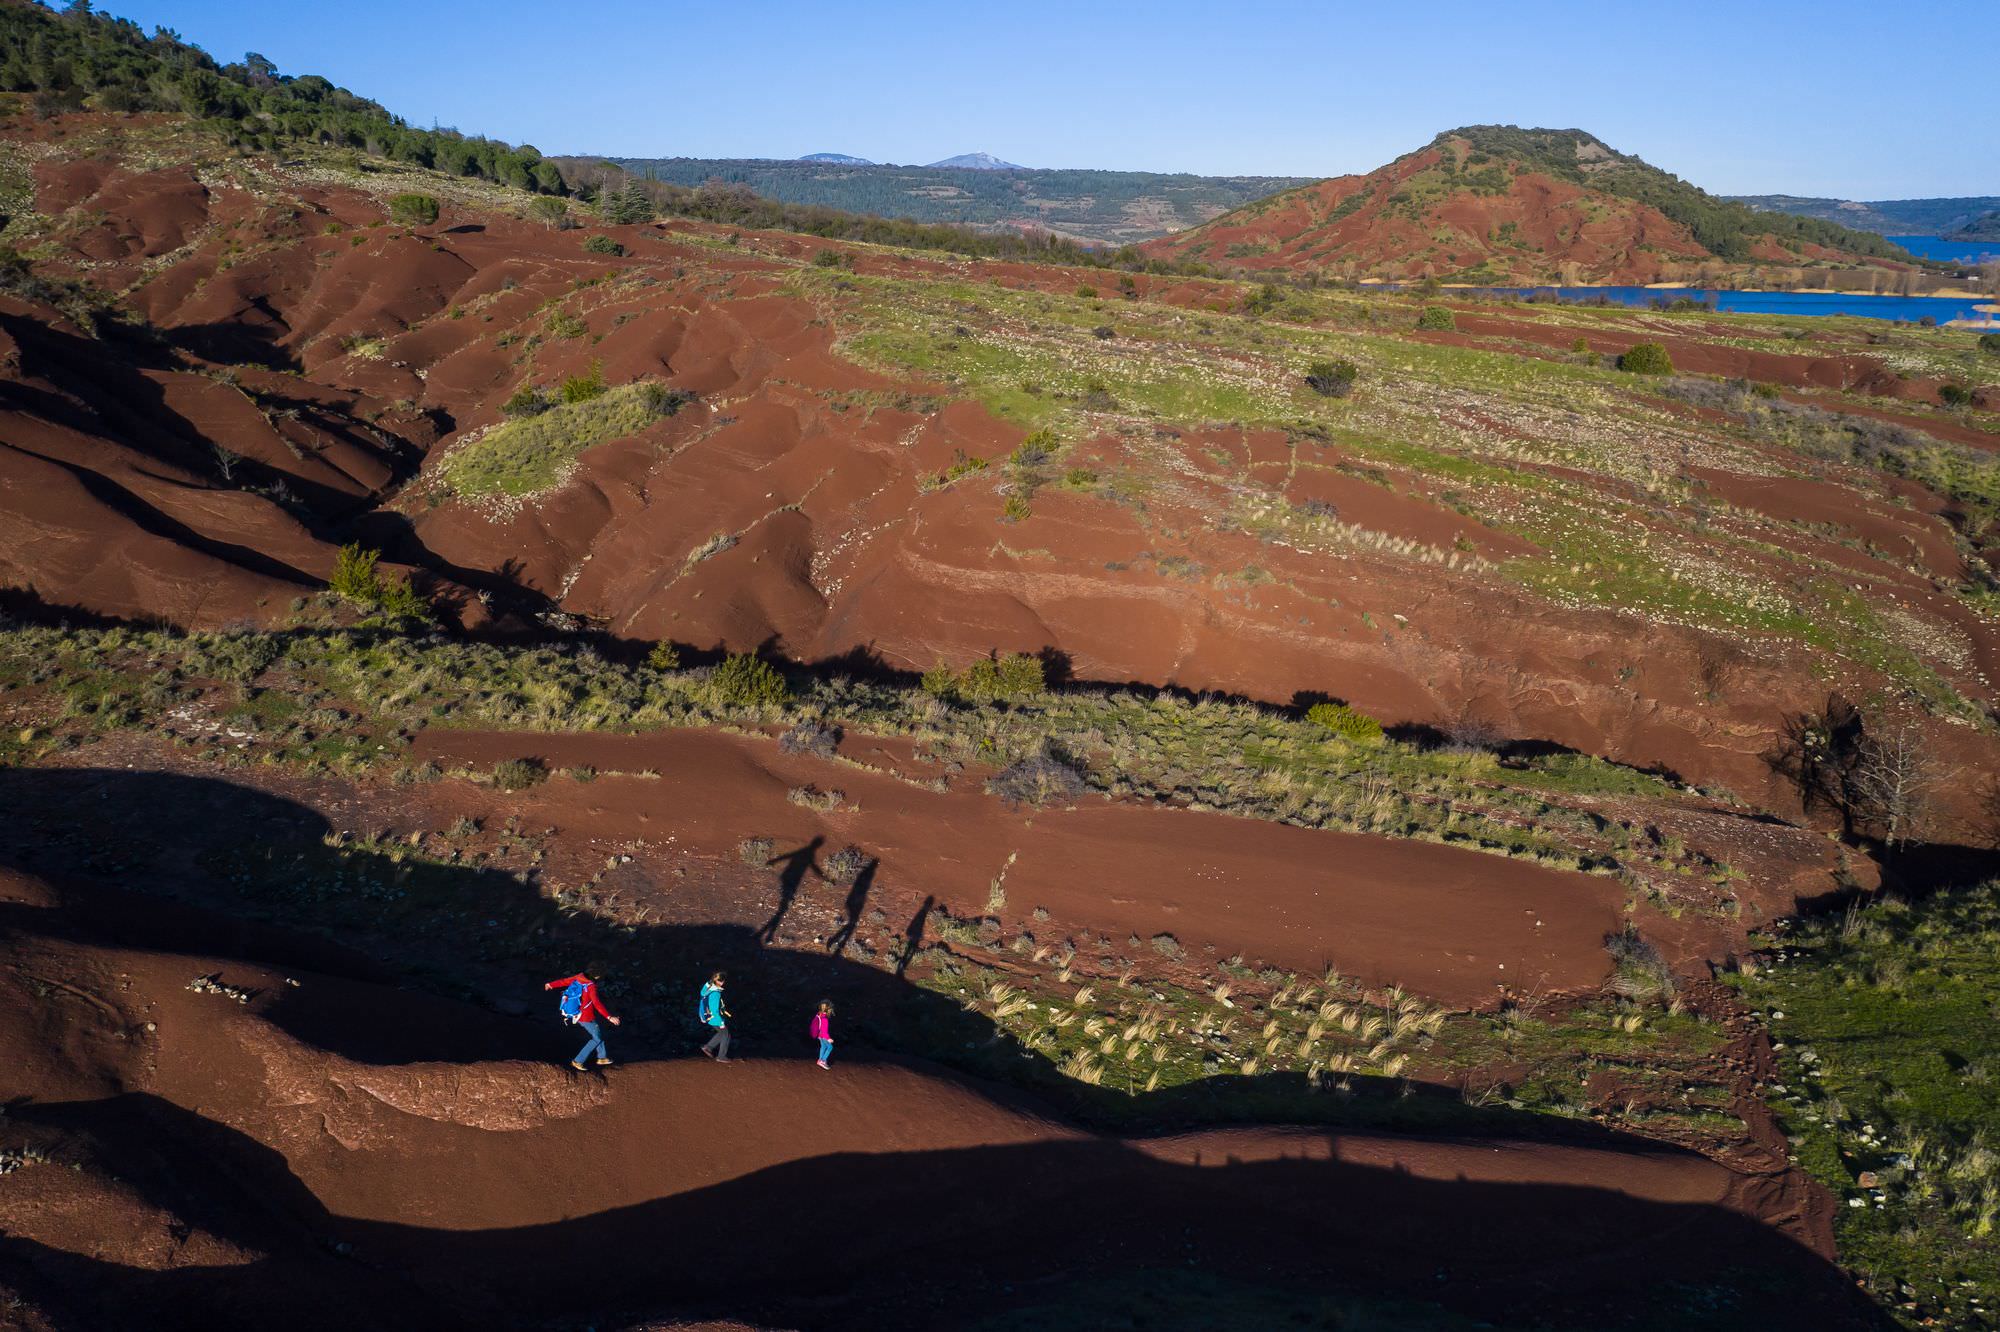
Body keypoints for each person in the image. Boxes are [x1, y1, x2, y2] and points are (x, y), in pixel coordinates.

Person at [546, 969, 620, 1071]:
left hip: (578, 1014)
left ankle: (602, 1057)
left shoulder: (578, 977)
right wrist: (609, 1017)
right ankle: (578, 1061)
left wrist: (551, 984)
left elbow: (564, 981)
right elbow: (596, 1004)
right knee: (597, 1038)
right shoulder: (591, 986)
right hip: (585, 1017)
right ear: (597, 976)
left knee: (597, 1033)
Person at [699, 972, 732, 1063]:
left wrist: (708, 983)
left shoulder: (708, 988)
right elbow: (714, 1009)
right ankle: (721, 1056)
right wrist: (721, 1022)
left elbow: (702, 994)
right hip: (714, 1017)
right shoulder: (716, 993)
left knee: (722, 1033)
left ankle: (708, 1047)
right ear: (721, 982)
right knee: (726, 1034)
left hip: (708, 1017)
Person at [811, 1000, 834, 1070]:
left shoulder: (819, 1015)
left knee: (823, 1047)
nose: (831, 1010)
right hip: (823, 1036)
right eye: (830, 1009)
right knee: (830, 1047)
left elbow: (819, 1027)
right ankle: (823, 1061)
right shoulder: (824, 1018)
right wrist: (828, 1038)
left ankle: (820, 1060)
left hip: (820, 1035)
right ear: (827, 1009)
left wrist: (819, 1035)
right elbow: (824, 1030)